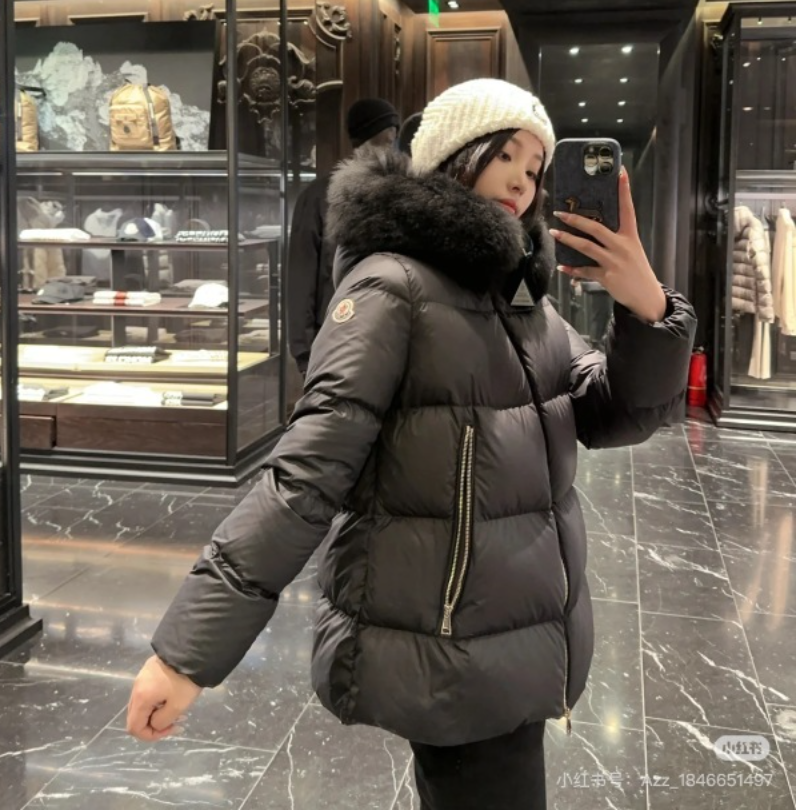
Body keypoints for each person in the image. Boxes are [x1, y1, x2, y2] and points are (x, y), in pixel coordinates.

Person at [128, 78, 696, 810]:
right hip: (454, 641)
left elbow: (613, 412)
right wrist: (187, 655)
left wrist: (648, 307)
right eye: (505, 155)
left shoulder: (516, 294)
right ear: (455, 153)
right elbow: (306, 473)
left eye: (535, 167)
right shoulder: (392, 288)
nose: (522, 181)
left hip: (516, 633)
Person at [287, 96, 399, 374]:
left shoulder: (401, 195)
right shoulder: (318, 197)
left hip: (388, 337)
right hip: (333, 339)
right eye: (383, 139)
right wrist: (304, 353)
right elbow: (301, 276)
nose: (390, 146)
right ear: (363, 141)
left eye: (393, 139)